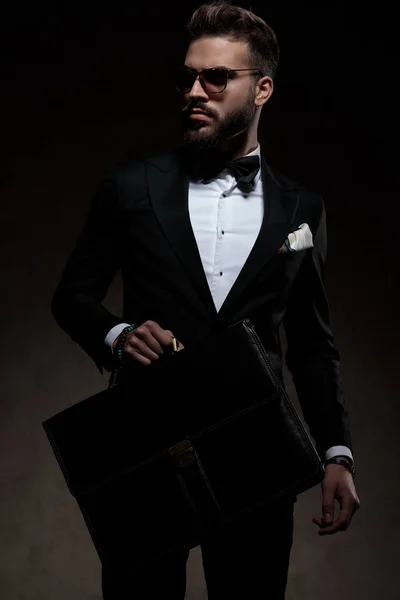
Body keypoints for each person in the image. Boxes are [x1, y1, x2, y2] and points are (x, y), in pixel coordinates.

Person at [51, 1, 360, 598]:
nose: (194, 90)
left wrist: (337, 453)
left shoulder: (303, 209)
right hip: (145, 446)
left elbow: (313, 348)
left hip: (258, 453)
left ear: (262, 88)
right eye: (188, 76)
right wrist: (117, 337)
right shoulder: (130, 186)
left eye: (215, 77)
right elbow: (73, 297)